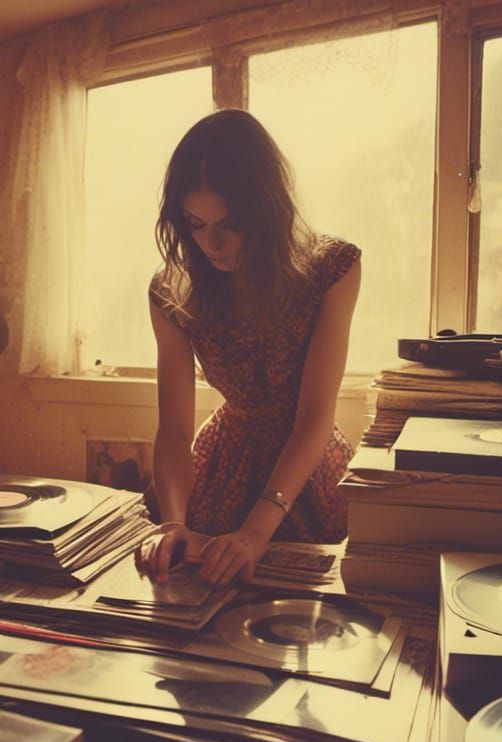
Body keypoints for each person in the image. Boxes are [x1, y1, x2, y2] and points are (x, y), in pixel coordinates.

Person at [138, 109, 361, 587]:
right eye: (196, 224)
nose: (212, 243)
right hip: (221, 467)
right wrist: (173, 522)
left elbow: (315, 415)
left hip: (306, 466)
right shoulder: (171, 292)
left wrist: (257, 532)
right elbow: (174, 429)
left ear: (267, 207)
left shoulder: (330, 268)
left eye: (231, 223)